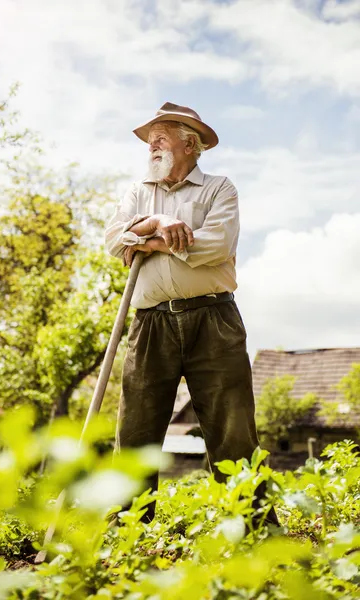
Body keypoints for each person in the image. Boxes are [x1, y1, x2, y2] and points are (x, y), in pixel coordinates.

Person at [105, 102, 278, 526]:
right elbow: (112, 240)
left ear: (191, 143)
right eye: (150, 138)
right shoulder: (138, 192)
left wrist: (145, 238)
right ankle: (129, 529)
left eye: (162, 135)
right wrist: (160, 221)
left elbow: (214, 247)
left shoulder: (220, 188)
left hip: (212, 318)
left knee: (232, 429)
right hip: (150, 324)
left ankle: (252, 528)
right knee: (136, 431)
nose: (152, 143)